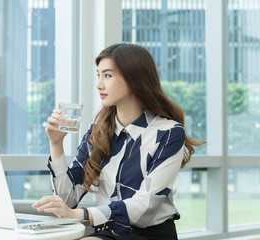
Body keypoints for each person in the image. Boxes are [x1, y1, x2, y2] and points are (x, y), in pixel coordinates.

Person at [32, 43, 205, 240]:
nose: (99, 84)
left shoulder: (168, 132)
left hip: (149, 234)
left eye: (107, 75)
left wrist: (82, 215)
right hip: (108, 231)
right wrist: (56, 144)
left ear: (135, 78)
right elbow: (67, 201)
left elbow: (145, 205)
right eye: (98, 75)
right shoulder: (97, 132)